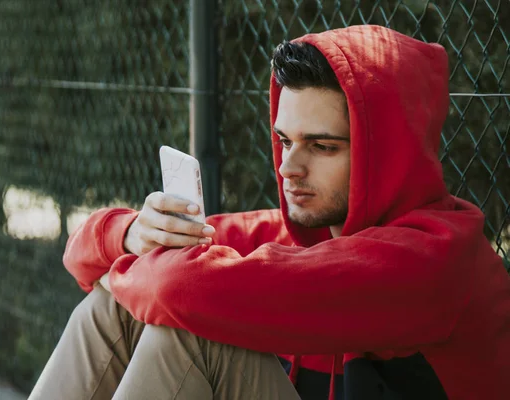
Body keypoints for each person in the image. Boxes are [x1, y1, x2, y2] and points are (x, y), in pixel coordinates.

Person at [29, 25, 510, 400]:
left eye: (322, 146)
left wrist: (130, 271)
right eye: (284, 140)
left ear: (388, 151)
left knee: (196, 331)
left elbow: (183, 288)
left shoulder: (438, 261)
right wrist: (131, 233)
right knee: (112, 306)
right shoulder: (300, 235)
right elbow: (84, 254)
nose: (288, 167)